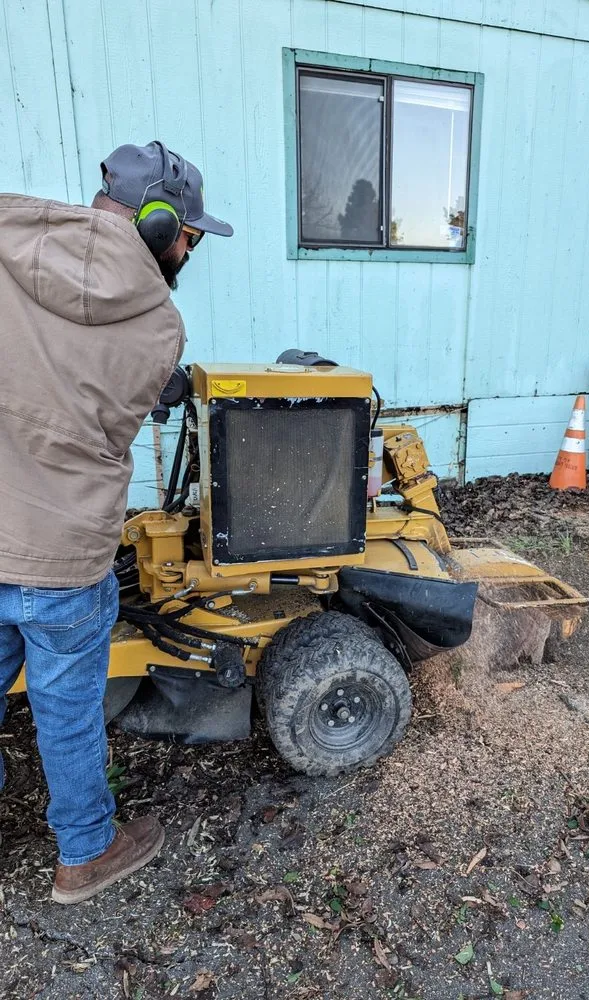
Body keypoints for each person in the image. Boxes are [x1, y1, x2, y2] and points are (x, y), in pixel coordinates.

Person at [0, 141, 233, 904]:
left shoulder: (11, 237)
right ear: (161, 224)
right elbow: (112, 404)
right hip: (59, 554)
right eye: (189, 238)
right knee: (66, 716)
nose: (188, 252)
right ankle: (86, 853)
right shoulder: (160, 327)